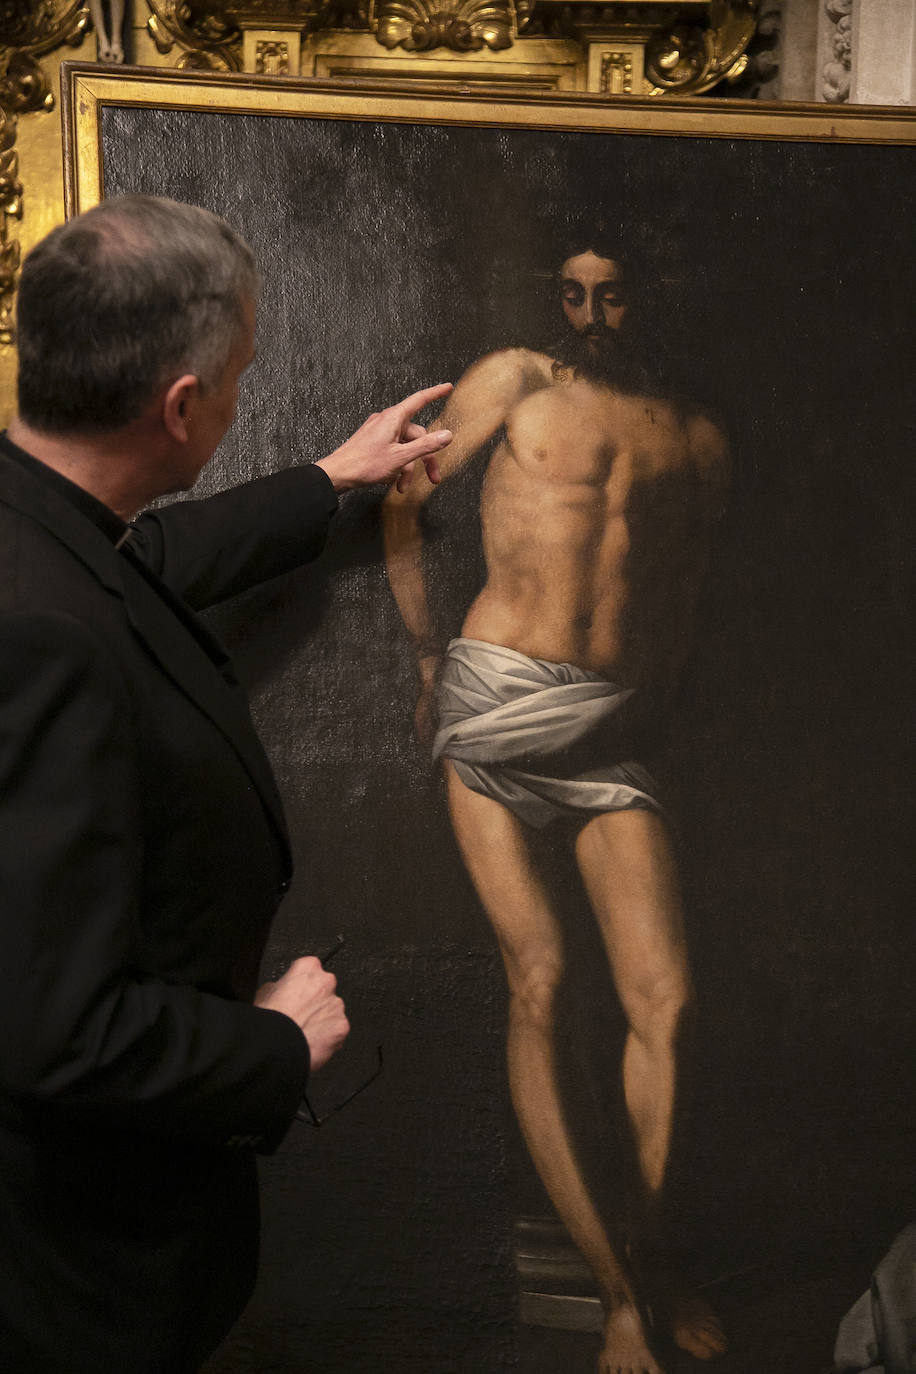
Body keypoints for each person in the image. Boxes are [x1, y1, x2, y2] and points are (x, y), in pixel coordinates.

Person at [0, 194, 452, 1373]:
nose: (240, 393)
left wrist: (328, 478)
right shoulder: (42, 637)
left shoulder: (35, 528)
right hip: (67, 1282)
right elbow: (53, 1030)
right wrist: (271, 1047)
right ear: (184, 406)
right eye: (241, 371)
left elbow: (142, 566)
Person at [383, 235, 729, 1374]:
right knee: (540, 975)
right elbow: (405, 495)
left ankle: (646, 1253)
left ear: (649, 297)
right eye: (572, 293)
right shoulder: (514, 380)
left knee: (664, 1002)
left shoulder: (695, 436)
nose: (589, 313)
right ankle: (621, 1294)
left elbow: (676, 605)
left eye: (613, 294)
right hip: (494, 700)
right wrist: (430, 653)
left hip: (613, 729)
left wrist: (649, 710)